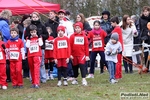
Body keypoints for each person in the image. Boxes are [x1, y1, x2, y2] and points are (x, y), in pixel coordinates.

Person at [25, 12, 49, 83]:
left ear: (38, 17)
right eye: (33, 17)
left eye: (36, 17)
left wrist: (40, 37)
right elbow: (26, 36)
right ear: (31, 18)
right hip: (32, 47)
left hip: (40, 46)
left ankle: (43, 78)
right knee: (32, 64)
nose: (34, 18)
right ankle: (32, 78)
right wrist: (30, 37)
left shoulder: (42, 25)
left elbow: (47, 35)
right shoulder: (29, 27)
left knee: (41, 63)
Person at [0, 9, 12, 82]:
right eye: (10, 16)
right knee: (6, 61)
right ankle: (7, 77)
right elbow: (7, 35)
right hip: (4, 43)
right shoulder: (4, 23)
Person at [139, 6, 150, 72]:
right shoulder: (141, 19)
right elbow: (140, 28)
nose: (145, 13)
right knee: (145, 53)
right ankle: (147, 67)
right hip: (144, 37)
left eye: (146, 11)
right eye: (144, 11)